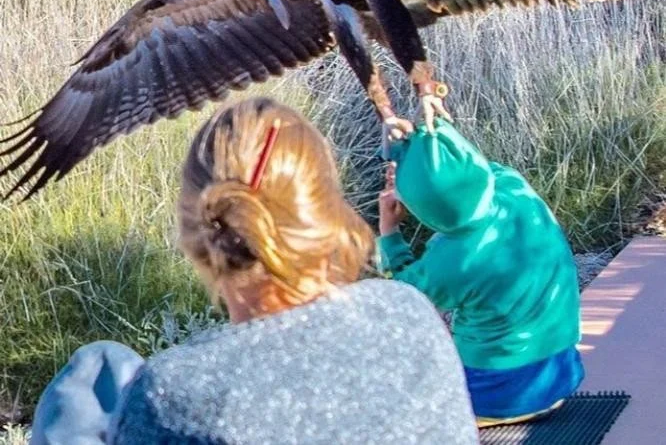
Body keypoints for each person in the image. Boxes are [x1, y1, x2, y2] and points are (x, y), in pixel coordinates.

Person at [32, 97, 479, 445]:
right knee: (105, 369)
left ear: (194, 235)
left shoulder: (175, 395)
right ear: (327, 214)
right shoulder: (409, 316)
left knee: (93, 377)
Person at [377, 117, 585, 428]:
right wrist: (420, 145)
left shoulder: (453, 260)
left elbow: (401, 298)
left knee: (389, 396)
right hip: (561, 375)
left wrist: (389, 231)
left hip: (497, 394)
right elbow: (463, 169)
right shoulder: (513, 186)